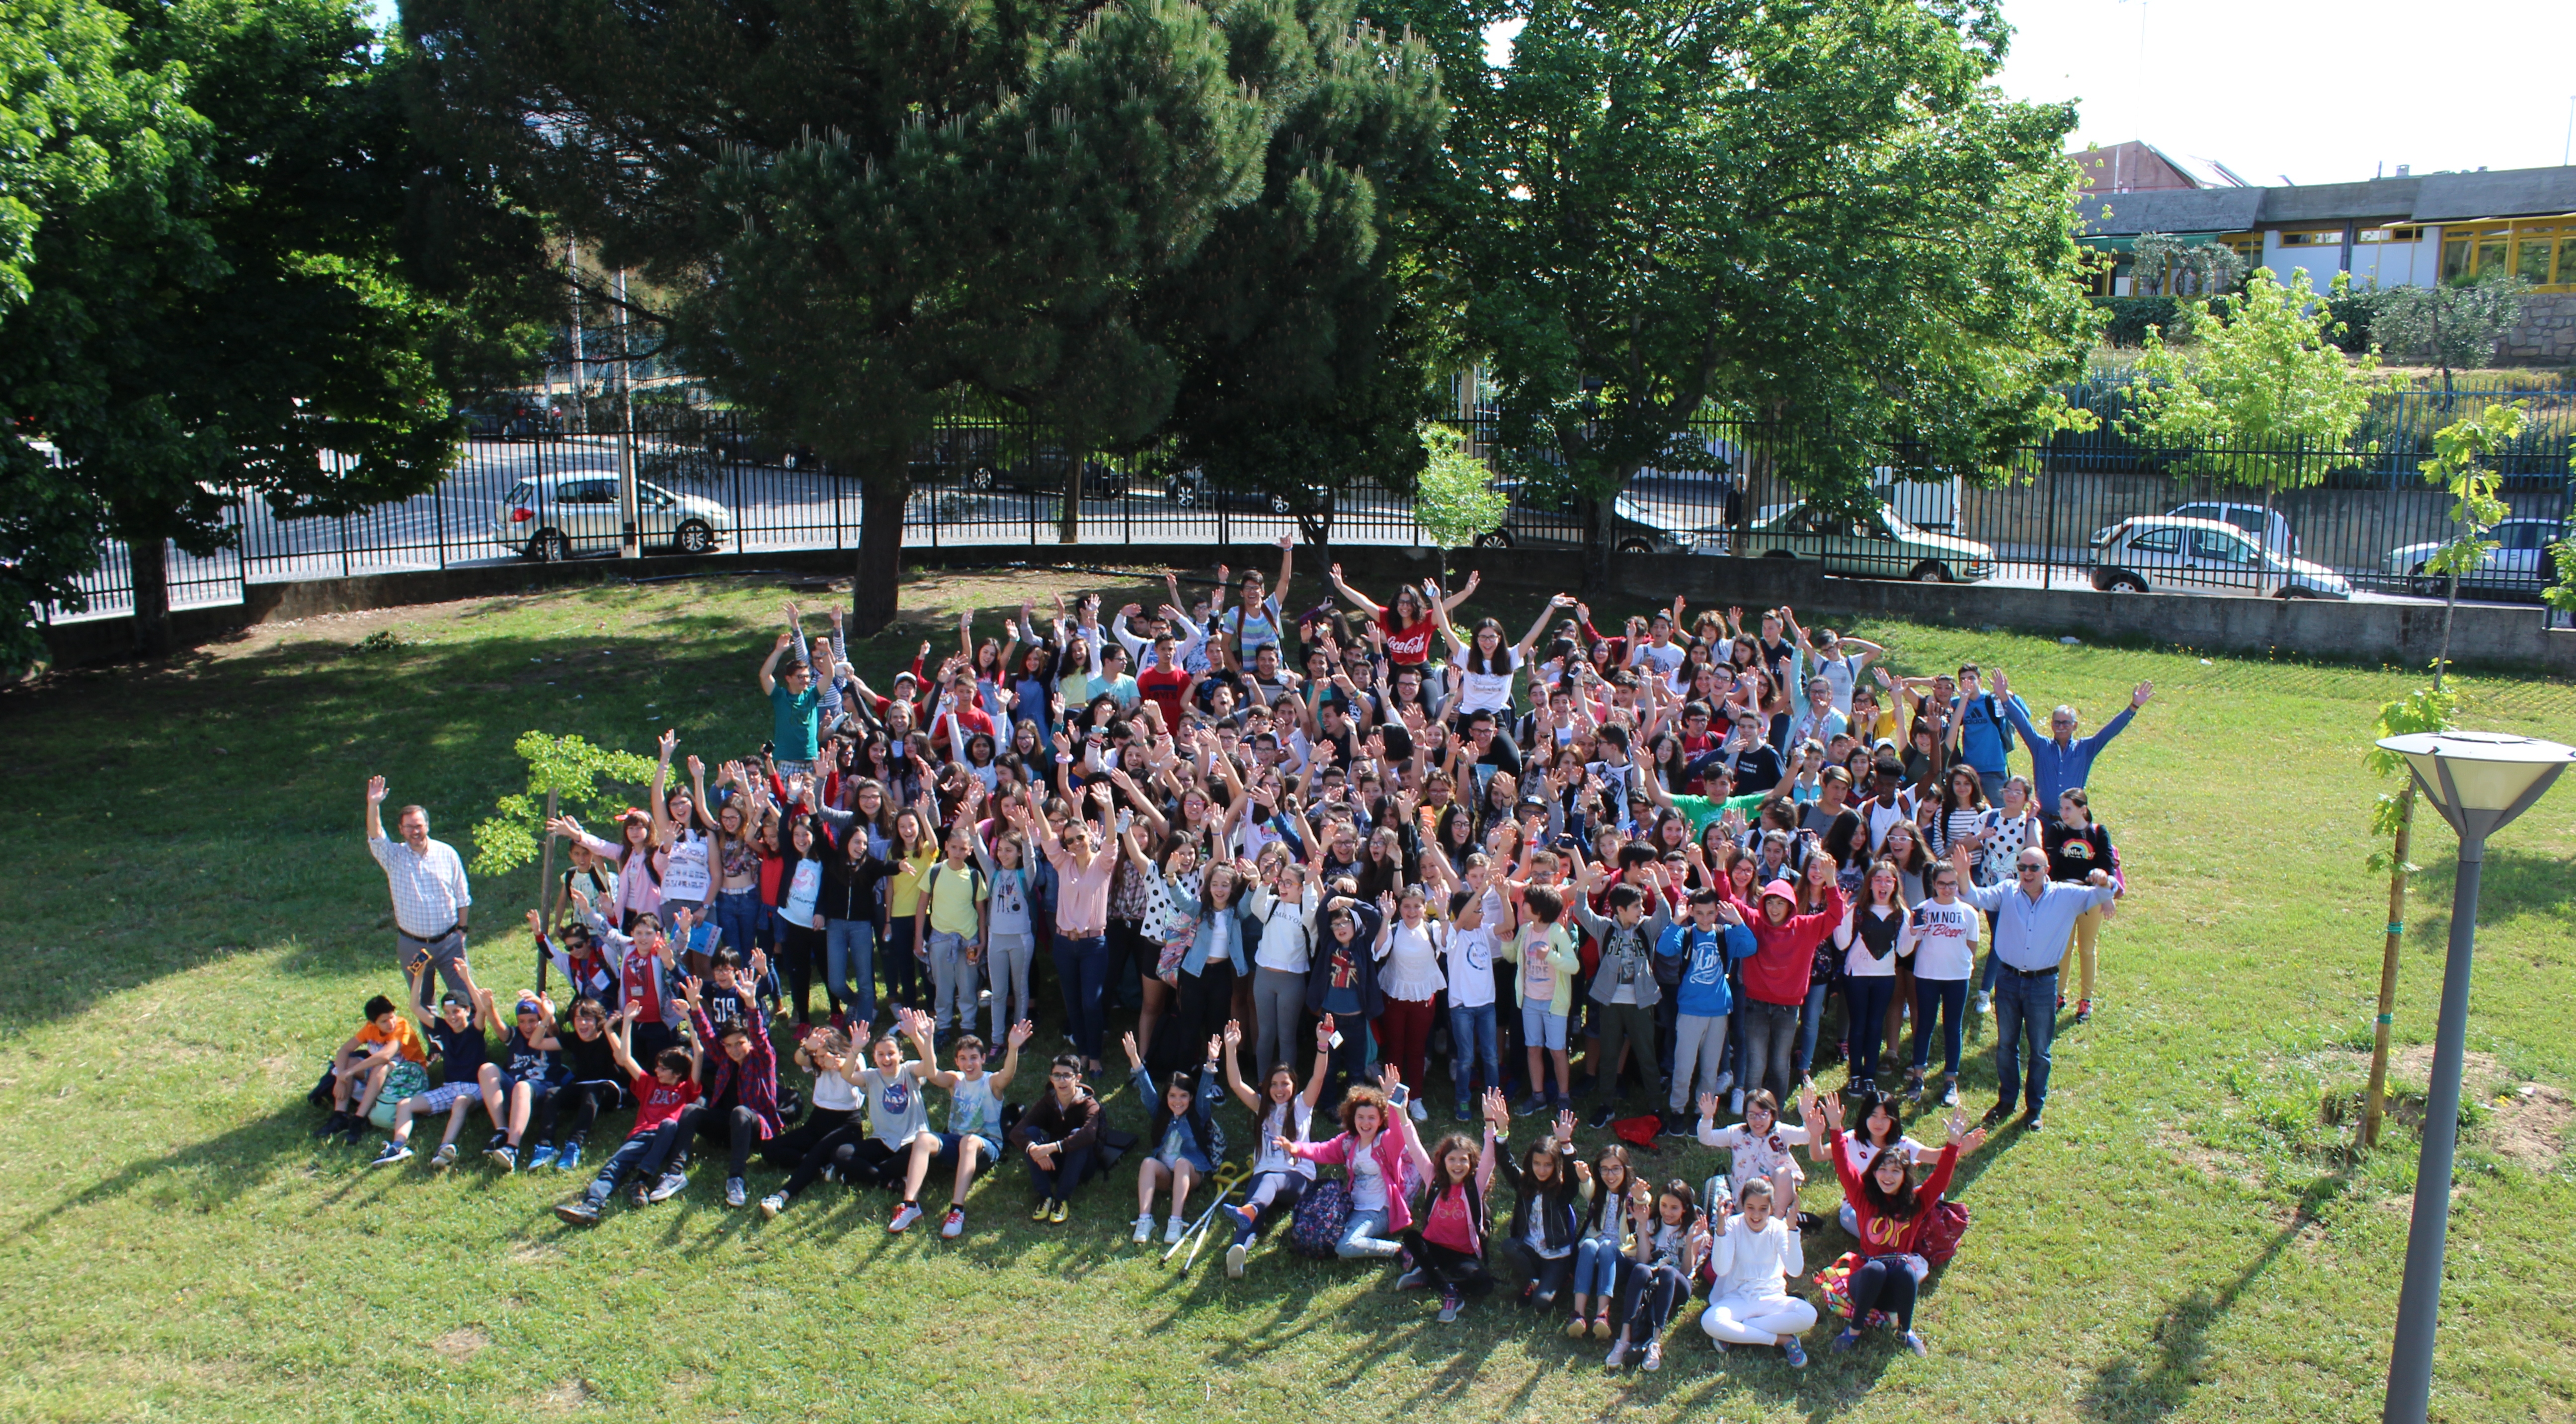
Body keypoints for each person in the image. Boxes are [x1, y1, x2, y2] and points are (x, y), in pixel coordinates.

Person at [1949, 840, 2116, 1133]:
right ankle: (2007, 1101)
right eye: (2022, 867)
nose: (2027, 873)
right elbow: (1974, 896)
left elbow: (2104, 892)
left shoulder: (2067, 895)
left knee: (2040, 1050)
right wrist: (1963, 874)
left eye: (2034, 868)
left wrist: (2105, 879)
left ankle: (2034, 1108)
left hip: (2043, 983)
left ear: (2046, 870)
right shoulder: (2007, 892)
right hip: (2009, 980)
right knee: (2005, 1046)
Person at [1818, 1094, 1984, 1355]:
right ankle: (1854, 1329)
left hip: (1894, 1290)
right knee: (1874, 1269)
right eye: (1883, 1169)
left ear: (1905, 1176)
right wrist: (1836, 1128)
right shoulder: (1863, 1199)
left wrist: (1953, 1144)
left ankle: (1906, 1331)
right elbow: (1843, 1165)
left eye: (1896, 1171)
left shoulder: (1915, 1204)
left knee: (1906, 1270)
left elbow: (1940, 1180)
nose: (1888, 1176)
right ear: (1873, 1173)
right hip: (1864, 1284)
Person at [554, 1002, 703, 1224]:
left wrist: (689, 1020)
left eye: (663, 1068)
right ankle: (591, 1205)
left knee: (670, 1124)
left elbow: (699, 1052)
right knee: (613, 1167)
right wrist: (628, 1022)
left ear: (678, 1073)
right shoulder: (649, 1084)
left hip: (666, 1137)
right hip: (640, 1136)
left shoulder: (686, 1089)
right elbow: (624, 1059)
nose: (656, 1071)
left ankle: (641, 1180)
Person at [1215, 1018, 1333, 1277]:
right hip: (1264, 1178)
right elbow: (1236, 1084)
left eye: (1285, 1084)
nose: (1280, 1090)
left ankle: (1252, 1208)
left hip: (1297, 1180)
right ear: (1266, 1087)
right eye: (1274, 1084)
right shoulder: (1262, 1108)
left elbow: (1319, 1076)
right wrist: (1232, 1049)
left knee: (1267, 1185)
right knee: (1252, 1211)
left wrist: (1322, 1045)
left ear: (1294, 1086)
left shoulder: (1303, 1106)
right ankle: (1238, 1251)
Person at [1284, 1067, 1433, 1262]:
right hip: (1353, 1207)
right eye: (1361, 1117)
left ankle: (1400, 1250)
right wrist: (1295, 1148)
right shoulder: (1348, 1142)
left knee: (1345, 1247)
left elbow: (1398, 1133)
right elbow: (1322, 1150)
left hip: (1379, 1210)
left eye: (1372, 1118)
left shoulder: (1386, 1142)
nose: (1366, 1123)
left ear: (1381, 1120)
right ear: (1353, 1118)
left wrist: (1392, 1101)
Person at [363, 776, 472, 1021]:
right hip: (413, 946)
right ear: (401, 830)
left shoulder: (447, 853)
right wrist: (373, 805)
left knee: (464, 996)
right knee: (423, 1001)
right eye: (409, 827)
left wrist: (462, 930)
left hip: (449, 943)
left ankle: (471, 1044)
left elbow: (463, 896)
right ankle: (436, 1048)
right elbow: (376, 836)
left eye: (419, 826)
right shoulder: (394, 857)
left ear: (427, 826)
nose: (415, 831)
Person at [1402, 1093, 1507, 1324]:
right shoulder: (1433, 1178)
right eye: (1452, 1160)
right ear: (1443, 1161)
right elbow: (1414, 1145)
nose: (1457, 1165)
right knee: (1411, 1238)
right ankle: (1450, 1293)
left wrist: (1490, 1122)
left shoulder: (1475, 1186)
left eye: (1463, 1160)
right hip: (1434, 1247)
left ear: (1471, 1164)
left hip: (1463, 1254)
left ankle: (1429, 1277)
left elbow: (1490, 1158)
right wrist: (1401, 1110)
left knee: (1484, 1284)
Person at [1658, 884, 1756, 1131]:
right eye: (1699, 913)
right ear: (1691, 912)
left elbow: (1751, 947)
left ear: (1717, 913)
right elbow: (1664, 948)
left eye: (1710, 913)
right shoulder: (1686, 934)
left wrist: (1739, 922)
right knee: (1684, 1066)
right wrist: (1677, 921)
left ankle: (1703, 1111)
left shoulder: (1726, 934)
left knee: (1710, 1069)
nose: (1704, 918)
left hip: (1718, 1012)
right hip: (1690, 1011)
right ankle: (1678, 1109)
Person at [1125, 1029, 1229, 1245]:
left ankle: (1176, 1221)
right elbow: (1146, 1088)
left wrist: (1211, 1062)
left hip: (1191, 1174)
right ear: (1166, 1098)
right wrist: (1135, 1058)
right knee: (1147, 1163)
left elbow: (1204, 1091)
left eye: (1184, 1096)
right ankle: (1145, 1219)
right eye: (1173, 1096)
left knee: (1183, 1163)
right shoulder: (1160, 1112)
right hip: (1166, 1176)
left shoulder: (1198, 1113)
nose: (1178, 1101)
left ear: (1191, 1098)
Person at [1993, 671, 2154, 809]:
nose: (2061, 727)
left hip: (2074, 822)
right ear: (2052, 725)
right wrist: (2003, 697)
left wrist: (2133, 707)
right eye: (2057, 722)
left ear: (2075, 726)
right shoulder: (2039, 746)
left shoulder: (2086, 748)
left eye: (2066, 723)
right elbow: (2022, 723)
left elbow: (2110, 731)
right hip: (2045, 821)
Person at [1699, 1176, 1815, 1366]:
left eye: (1763, 1209)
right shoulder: (1732, 1225)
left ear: (1771, 1208)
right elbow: (1721, 1268)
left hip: (1771, 1298)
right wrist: (1720, 1229)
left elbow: (1795, 1271)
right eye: (1750, 1207)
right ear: (1742, 1205)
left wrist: (1793, 1230)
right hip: (1737, 1298)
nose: (1756, 1216)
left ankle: (1739, 1332)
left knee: (1809, 1314)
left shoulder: (1778, 1228)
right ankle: (1782, 1340)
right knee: (1710, 1321)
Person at [1898, 859, 1980, 1105]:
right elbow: (1908, 946)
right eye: (1942, 884)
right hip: (1927, 976)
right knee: (1925, 1025)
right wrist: (1912, 930)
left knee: (1953, 1027)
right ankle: (1918, 1075)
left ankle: (1950, 1081)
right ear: (1934, 885)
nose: (1947, 889)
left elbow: (1972, 944)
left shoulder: (1969, 912)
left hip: (1957, 977)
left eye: (1952, 884)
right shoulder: (1923, 909)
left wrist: (1967, 965)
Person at [1607, 1177, 1708, 1371]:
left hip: (1677, 1284)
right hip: (1652, 1280)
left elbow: (1686, 1272)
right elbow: (1643, 1261)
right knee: (1640, 1269)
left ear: (1685, 1208)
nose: (1667, 1212)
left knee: (1669, 1271)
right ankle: (1624, 1338)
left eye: (1674, 1208)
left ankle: (1655, 1342)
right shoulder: (1654, 1224)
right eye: (1664, 1205)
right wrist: (1643, 1226)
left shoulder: (1694, 1230)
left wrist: (1689, 1242)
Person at [2046, 787, 2123, 1025]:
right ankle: (2058, 996)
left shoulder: (2099, 833)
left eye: (2068, 808)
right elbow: (2050, 865)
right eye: (2061, 808)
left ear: (2083, 809)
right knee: (2063, 949)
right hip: (2063, 897)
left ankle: (2086, 1000)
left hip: (2090, 897)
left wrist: (2106, 894)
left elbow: (2108, 869)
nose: (2063, 813)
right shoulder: (2057, 830)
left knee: (2087, 949)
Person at [1013, 1055, 1118, 1222]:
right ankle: (1045, 1197)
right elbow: (1018, 1131)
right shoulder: (1047, 1102)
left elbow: (1089, 1135)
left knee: (1078, 1135)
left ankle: (1062, 1199)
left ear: (1078, 1078)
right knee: (1031, 1133)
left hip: (1082, 1167)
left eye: (1067, 1076)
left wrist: (1053, 1147)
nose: (1062, 1081)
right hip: (1053, 1164)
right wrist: (1035, 1150)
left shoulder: (1090, 1105)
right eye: (1057, 1075)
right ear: (1051, 1079)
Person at [1496, 1108, 1582, 1311]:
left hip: (1556, 1256)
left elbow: (1572, 1174)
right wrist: (1501, 1130)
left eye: (1547, 1165)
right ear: (1530, 1163)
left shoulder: (1563, 1190)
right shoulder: (1524, 1183)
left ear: (1555, 1166)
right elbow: (1506, 1162)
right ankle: (1534, 1279)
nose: (1541, 1170)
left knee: (1540, 1304)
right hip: (1530, 1251)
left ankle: (1559, 1279)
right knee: (1509, 1246)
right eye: (1537, 1164)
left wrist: (1566, 1144)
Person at [316, 989, 427, 1144]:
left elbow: (386, 1055)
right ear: (373, 1023)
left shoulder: (401, 1026)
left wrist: (350, 1072)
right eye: (384, 1021)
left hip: (411, 1072)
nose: (391, 1024)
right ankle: (339, 1116)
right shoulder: (370, 1029)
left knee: (379, 1066)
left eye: (392, 1017)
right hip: (386, 1072)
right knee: (349, 1062)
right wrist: (341, 1077)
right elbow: (345, 1050)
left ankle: (358, 1119)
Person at [1693, 1088, 1810, 1220]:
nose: (1757, 1120)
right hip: (1746, 1197)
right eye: (1752, 1115)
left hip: (1777, 1195)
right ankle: (1751, 1222)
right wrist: (1707, 1117)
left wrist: (1806, 1117)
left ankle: (1777, 1222)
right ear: (1746, 1116)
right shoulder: (1736, 1132)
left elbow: (1807, 1137)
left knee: (1783, 1173)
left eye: (1763, 1114)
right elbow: (1706, 1138)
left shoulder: (1781, 1131)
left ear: (1772, 1114)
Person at [1567, 1142, 1635, 1339]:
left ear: (1625, 1169)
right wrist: (1584, 1176)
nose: (1610, 1175)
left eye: (1616, 1169)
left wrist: (1641, 1197)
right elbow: (1587, 1187)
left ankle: (1602, 1314)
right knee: (1588, 1244)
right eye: (1605, 1170)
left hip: (1619, 1259)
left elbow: (1643, 1200)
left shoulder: (1631, 1196)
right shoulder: (1598, 1193)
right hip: (1594, 1258)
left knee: (1607, 1247)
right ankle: (1578, 1314)